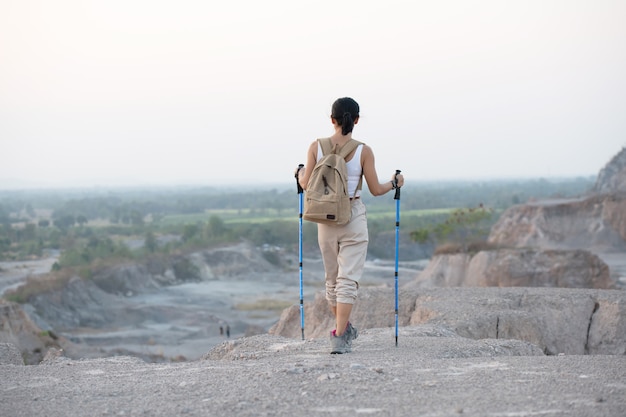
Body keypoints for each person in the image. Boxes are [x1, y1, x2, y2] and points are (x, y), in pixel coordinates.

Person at [297, 97, 405, 354]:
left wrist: (299, 172)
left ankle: (342, 330)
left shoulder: (316, 146)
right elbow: (377, 189)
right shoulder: (363, 150)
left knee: (332, 280)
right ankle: (339, 334)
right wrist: (395, 183)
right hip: (352, 214)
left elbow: (306, 183)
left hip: (324, 217)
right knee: (348, 279)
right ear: (356, 120)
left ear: (332, 119)